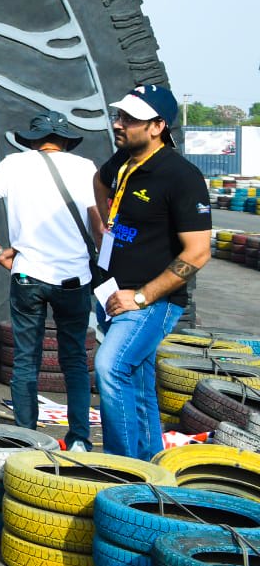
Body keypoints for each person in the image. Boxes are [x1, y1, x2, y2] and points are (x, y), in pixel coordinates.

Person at [0, 110, 99, 452]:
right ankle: (79, 438)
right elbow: (99, 224)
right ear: (65, 140)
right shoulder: (85, 168)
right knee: (74, 359)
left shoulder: (13, 165)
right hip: (74, 278)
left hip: (27, 275)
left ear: (33, 139)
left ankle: (27, 437)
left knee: (26, 359)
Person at [91, 84, 211, 459]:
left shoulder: (182, 176)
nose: (118, 123)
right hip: (112, 292)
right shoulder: (123, 161)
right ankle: (149, 465)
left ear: (158, 126)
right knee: (138, 382)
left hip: (150, 301)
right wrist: (104, 226)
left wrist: (141, 297)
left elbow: (198, 252)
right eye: (119, 115)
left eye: (130, 119)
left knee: (110, 368)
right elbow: (98, 181)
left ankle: (122, 469)